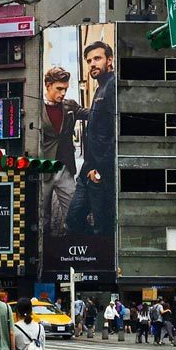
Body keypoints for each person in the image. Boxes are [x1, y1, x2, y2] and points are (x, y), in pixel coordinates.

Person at [64, 40, 116, 236]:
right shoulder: (100, 87)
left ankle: (100, 263)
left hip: (100, 172)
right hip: (88, 169)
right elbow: (97, 121)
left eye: (97, 58)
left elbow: (115, 133)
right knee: (72, 222)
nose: (93, 63)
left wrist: (99, 169)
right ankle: (85, 257)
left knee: (102, 227)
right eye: (89, 60)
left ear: (109, 60)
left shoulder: (112, 86)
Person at [40, 66, 88, 237]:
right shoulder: (35, 107)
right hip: (43, 167)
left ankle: (73, 248)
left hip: (65, 167)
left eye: (65, 89)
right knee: (42, 217)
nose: (62, 93)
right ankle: (43, 253)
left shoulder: (69, 106)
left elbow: (90, 114)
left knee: (74, 212)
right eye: (59, 89)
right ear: (48, 85)